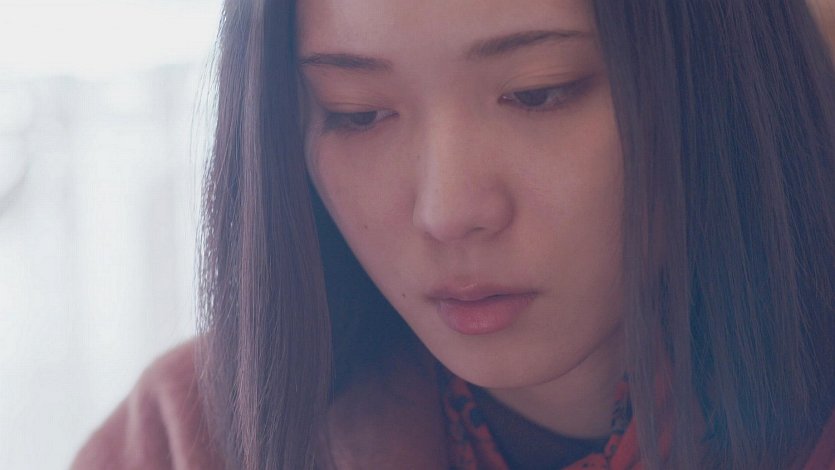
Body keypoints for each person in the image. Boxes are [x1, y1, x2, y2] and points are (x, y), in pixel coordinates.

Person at [73, 1, 835, 469]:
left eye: (538, 94)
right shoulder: (193, 436)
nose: (448, 210)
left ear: (720, 80)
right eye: (356, 111)